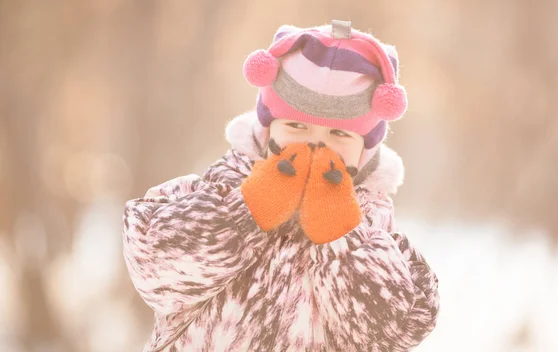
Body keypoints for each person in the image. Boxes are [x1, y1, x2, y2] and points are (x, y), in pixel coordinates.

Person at [122, 20, 440, 351]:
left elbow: (393, 333)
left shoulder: (374, 227)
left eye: (339, 134)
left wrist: (341, 238)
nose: (316, 147)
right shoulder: (221, 187)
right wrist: (244, 212)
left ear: (366, 149)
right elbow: (155, 269)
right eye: (297, 126)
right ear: (268, 129)